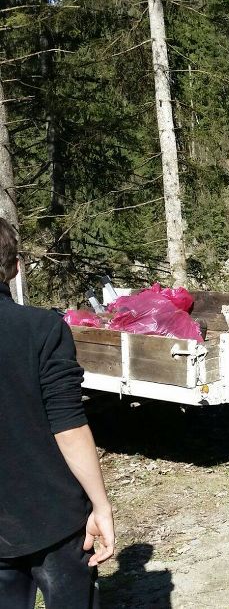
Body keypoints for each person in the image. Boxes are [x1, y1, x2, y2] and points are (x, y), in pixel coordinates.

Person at [0, 217, 115, 609]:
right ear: (14, 267)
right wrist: (101, 505)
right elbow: (68, 426)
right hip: (55, 518)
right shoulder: (42, 328)